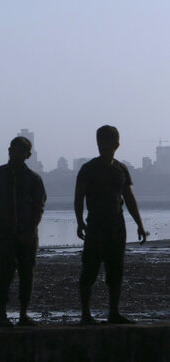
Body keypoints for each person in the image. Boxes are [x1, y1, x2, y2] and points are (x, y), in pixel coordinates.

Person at [75, 125, 148, 325]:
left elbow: (129, 199)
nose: (103, 147)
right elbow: (79, 197)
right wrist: (80, 221)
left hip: (117, 226)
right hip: (96, 226)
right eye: (100, 143)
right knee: (89, 269)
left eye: (107, 143)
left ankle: (113, 312)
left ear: (116, 145)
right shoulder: (89, 169)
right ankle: (85, 314)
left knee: (116, 270)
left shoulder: (121, 169)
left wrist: (139, 225)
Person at [0, 136, 46, 327]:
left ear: (27, 155)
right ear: (9, 151)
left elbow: (39, 207)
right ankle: (2, 315)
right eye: (13, 150)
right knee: (5, 273)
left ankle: (23, 314)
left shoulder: (33, 179)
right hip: (5, 233)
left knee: (27, 274)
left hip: (28, 234)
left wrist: (31, 230)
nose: (15, 154)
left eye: (20, 151)